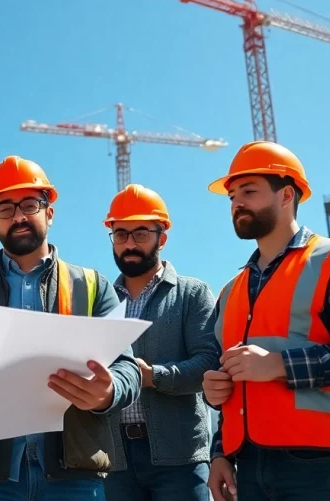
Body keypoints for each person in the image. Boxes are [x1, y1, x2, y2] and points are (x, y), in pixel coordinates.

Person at [203, 141, 330, 501]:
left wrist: (280, 365)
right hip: (246, 465)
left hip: (318, 462)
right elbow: (234, 383)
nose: (236, 203)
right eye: (232, 196)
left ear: (286, 195)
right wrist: (219, 451)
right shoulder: (231, 291)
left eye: (248, 191)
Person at [0, 155, 142, 501]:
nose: (18, 216)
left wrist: (107, 392)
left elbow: (127, 367)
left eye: (29, 205)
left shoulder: (92, 286)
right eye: (5, 208)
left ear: (49, 212)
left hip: (74, 478)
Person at [101, 184, 219, 501]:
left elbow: (209, 363)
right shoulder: (103, 302)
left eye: (141, 234)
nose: (129, 244)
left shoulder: (192, 293)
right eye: (120, 234)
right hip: (115, 460)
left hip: (179, 459)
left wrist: (154, 377)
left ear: (161, 238)